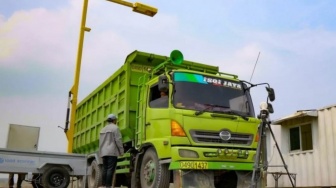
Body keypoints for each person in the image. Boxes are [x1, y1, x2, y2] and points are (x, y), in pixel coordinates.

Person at [99, 114, 124, 188]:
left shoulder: (102, 129)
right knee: (110, 169)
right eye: (116, 120)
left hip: (104, 152)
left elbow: (100, 142)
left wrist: (101, 152)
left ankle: (103, 185)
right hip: (111, 152)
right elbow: (118, 140)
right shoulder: (115, 128)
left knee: (105, 168)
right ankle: (108, 185)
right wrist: (121, 151)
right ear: (114, 120)